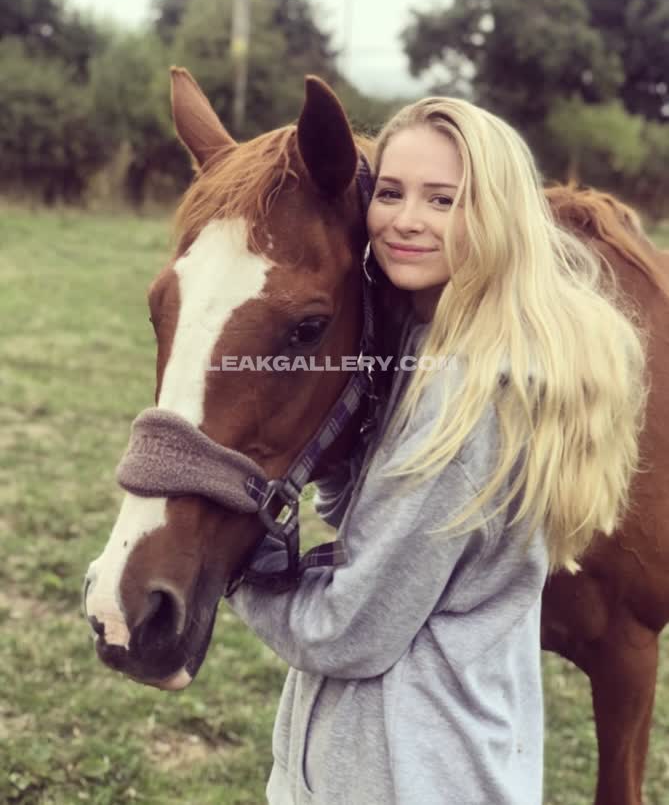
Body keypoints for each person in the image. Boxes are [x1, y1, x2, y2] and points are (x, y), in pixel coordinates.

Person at [226, 97, 647, 804]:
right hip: (440, 751)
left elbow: (348, 631)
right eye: (390, 193)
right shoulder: (438, 344)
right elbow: (380, 526)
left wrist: (242, 576)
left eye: (443, 200)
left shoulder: (467, 399)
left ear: (496, 216)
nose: (406, 219)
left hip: (404, 773)